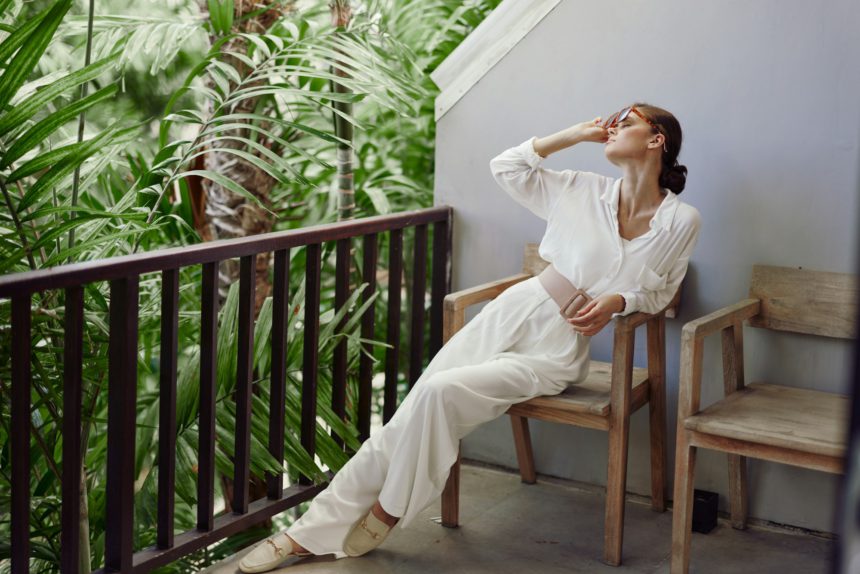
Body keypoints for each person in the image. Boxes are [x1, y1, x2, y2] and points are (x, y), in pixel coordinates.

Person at [238, 102, 701, 573]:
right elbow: (507, 166)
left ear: (656, 139)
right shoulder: (580, 189)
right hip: (515, 311)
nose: (612, 127)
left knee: (438, 393)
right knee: (412, 411)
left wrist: (617, 302)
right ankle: (304, 535)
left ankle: (391, 507)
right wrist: (572, 134)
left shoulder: (681, 222)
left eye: (626, 122)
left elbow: (659, 290)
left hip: (557, 350)